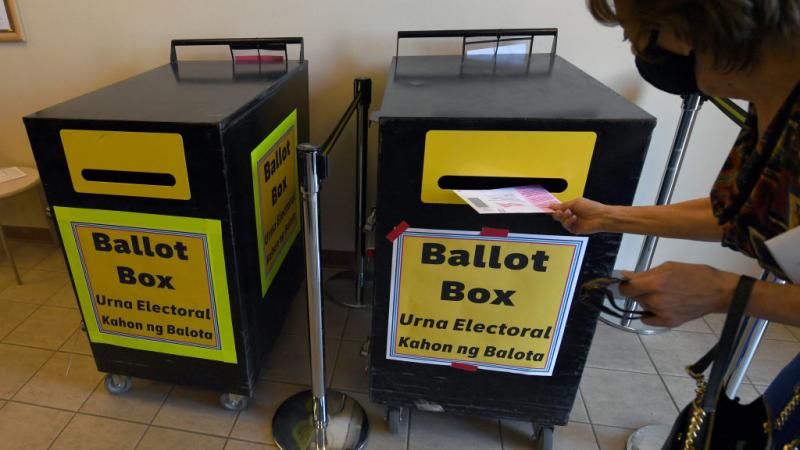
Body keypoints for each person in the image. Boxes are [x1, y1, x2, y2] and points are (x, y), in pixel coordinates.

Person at [551, 0, 800, 445]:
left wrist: (727, 292)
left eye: (636, 34)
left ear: (690, 25)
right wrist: (609, 217)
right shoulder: (774, 100)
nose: (638, 51)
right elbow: (746, 212)